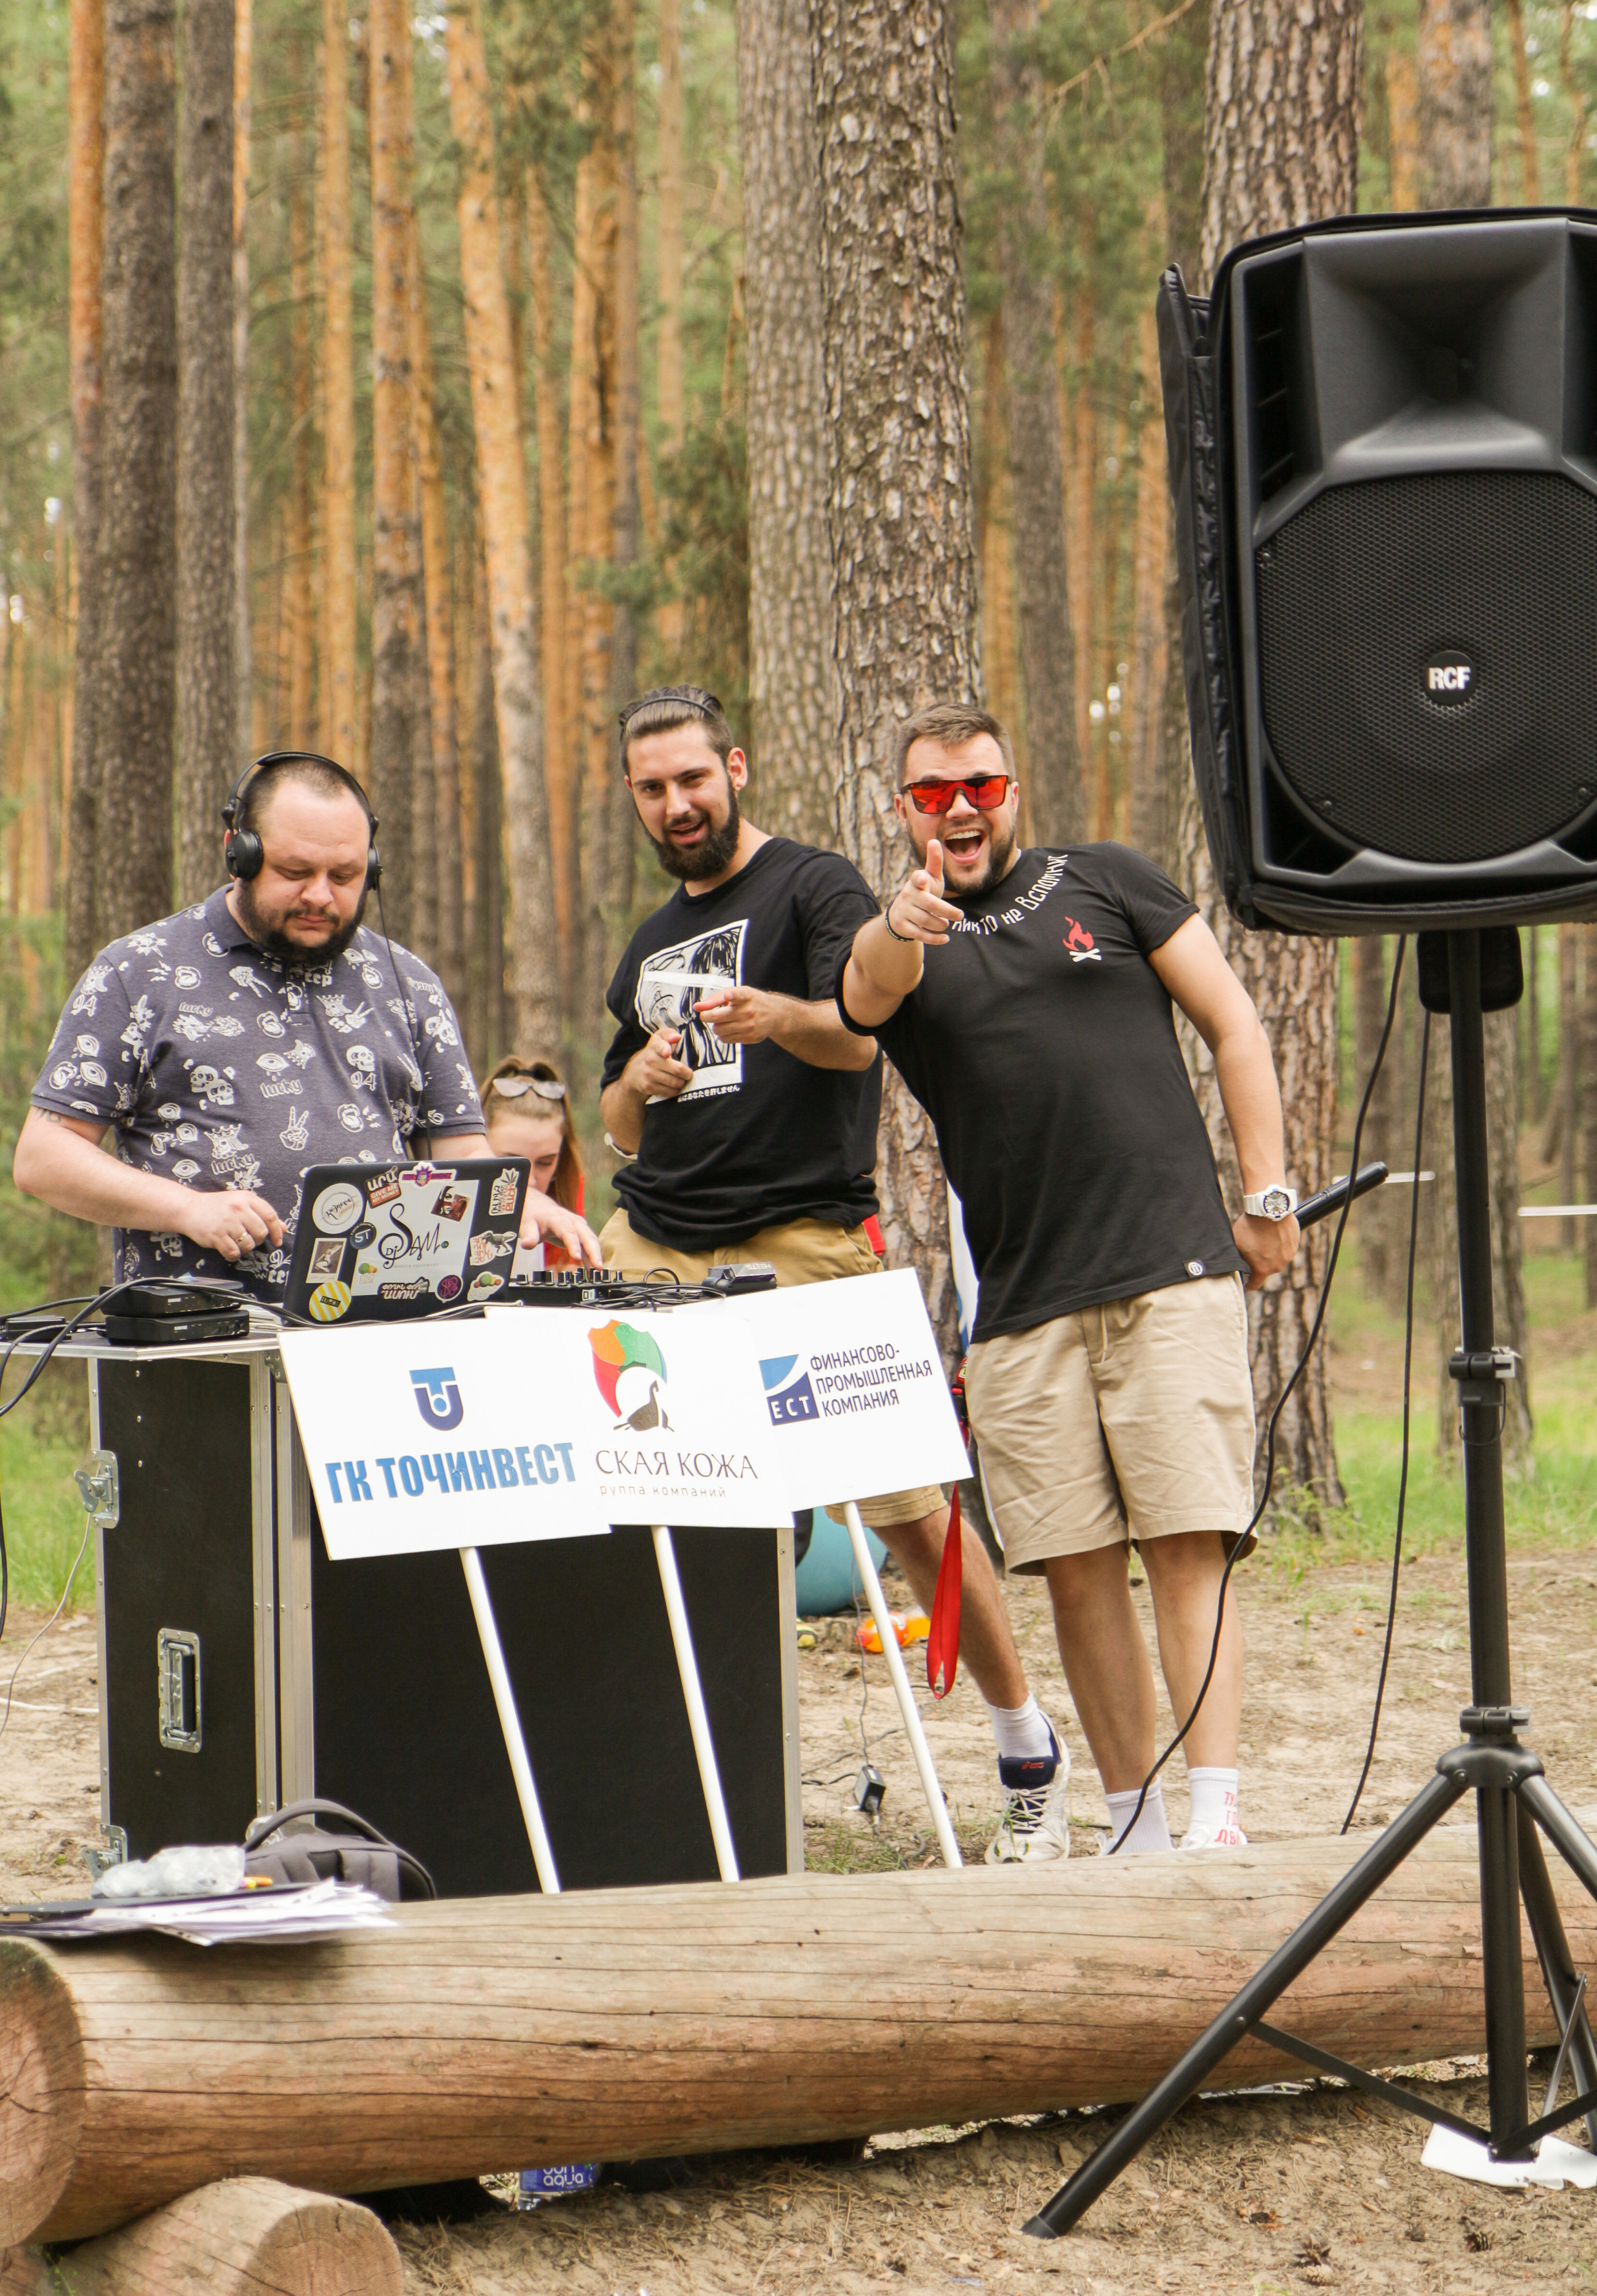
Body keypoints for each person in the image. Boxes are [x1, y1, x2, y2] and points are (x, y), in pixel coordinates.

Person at [599, 684, 1073, 1863]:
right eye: (654, 788)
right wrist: (641, 1089)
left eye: (693, 779)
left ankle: (1028, 1755)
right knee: (623, 1499)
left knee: (911, 1509)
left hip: (801, 1237)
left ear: (737, 768)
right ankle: (654, 1767)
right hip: (653, 1241)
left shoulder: (813, 887)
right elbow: (614, 1113)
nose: (678, 804)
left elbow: (859, 1034)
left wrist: (774, 1014)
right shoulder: (648, 943)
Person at [840, 703, 1301, 1855]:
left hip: (1171, 1271)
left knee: (1190, 1541)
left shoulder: (1108, 880)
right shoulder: (901, 935)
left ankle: (1214, 1818)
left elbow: (1235, 1024)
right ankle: (1135, 1825)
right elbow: (863, 994)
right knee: (1080, 1573)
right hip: (1024, 1313)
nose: (959, 809)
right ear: (904, 808)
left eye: (981, 787)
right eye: (933, 792)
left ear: (1012, 788)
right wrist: (903, 922)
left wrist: (1269, 1191)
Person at [13, 752, 598, 1284]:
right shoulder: (139, 971)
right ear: (238, 853)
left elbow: (462, 1155)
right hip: (201, 1353)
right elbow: (45, 1158)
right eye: (296, 872)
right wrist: (188, 1209)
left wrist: (520, 1198)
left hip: (375, 1337)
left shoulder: (408, 984)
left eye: (344, 876)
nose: (321, 895)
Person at [480, 1056, 587, 1274]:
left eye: (546, 1163)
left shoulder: (566, 1190)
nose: (529, 1180)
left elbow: (565, 1271)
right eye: (510, 1163)